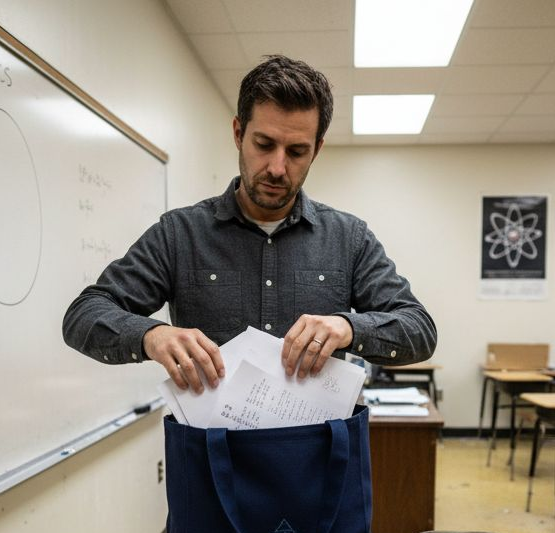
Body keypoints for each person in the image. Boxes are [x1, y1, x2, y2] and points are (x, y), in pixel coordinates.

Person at [62, 54, 435, 393]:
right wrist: (152, 336)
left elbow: (419, 329)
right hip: (212, 444)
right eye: (264, 144)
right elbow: (84, 315)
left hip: (317, 444)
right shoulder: (180, 234)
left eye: (297, 151)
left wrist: (349, 328)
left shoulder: (349, 239)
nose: (277, 167)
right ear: (239, 134)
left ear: (317, 150)